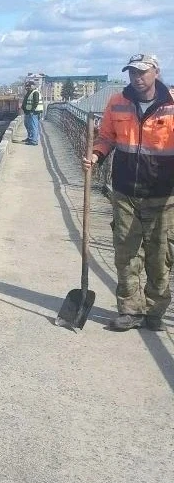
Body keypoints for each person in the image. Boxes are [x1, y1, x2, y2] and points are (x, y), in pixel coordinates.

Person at [83, 53, 174, 331]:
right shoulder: (117, 102)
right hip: (125, 192)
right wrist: (96, 155)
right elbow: (106, 137)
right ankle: (130, 310)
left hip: (163, 195)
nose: (137, 77)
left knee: (160, 255)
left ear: (156, 71)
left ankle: (155, 312)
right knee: (126, 252)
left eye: (142, 72)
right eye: (133, 72)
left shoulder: (171, 105)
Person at [21, 79, 43, 145]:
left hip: (34, 113)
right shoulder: (29, 93)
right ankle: (30, 138)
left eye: (29, 86)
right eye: (26, 86)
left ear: (33, 86)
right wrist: (24, 109)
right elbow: (26, 102)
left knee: (33, 126)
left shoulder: (35, 92)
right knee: (28, 125)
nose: (27, 87)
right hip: (28, 112)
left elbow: (36, 102)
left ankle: (34, 141)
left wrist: (32, 111)